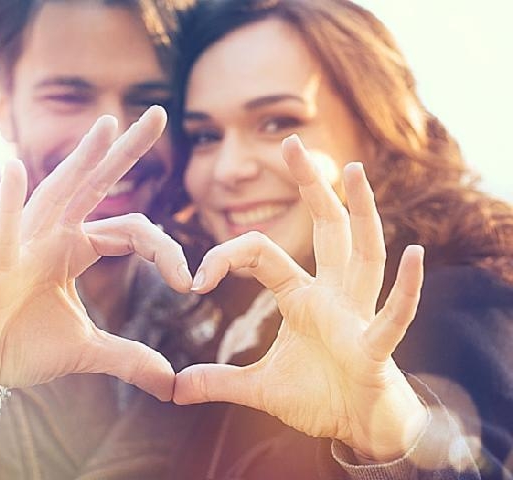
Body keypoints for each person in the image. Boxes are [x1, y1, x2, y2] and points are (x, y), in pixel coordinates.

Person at [153, 0, 513, 477]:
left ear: (376, 127)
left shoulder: (452, 307)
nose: (229, 169)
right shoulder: (228, 324)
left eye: (278, 122)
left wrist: (392, 448)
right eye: (205, 136)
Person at [0, 1, 200, 478]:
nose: (109, 133)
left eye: (149, 103)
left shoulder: (210, 306)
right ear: (2, 103)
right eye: (68, 97)